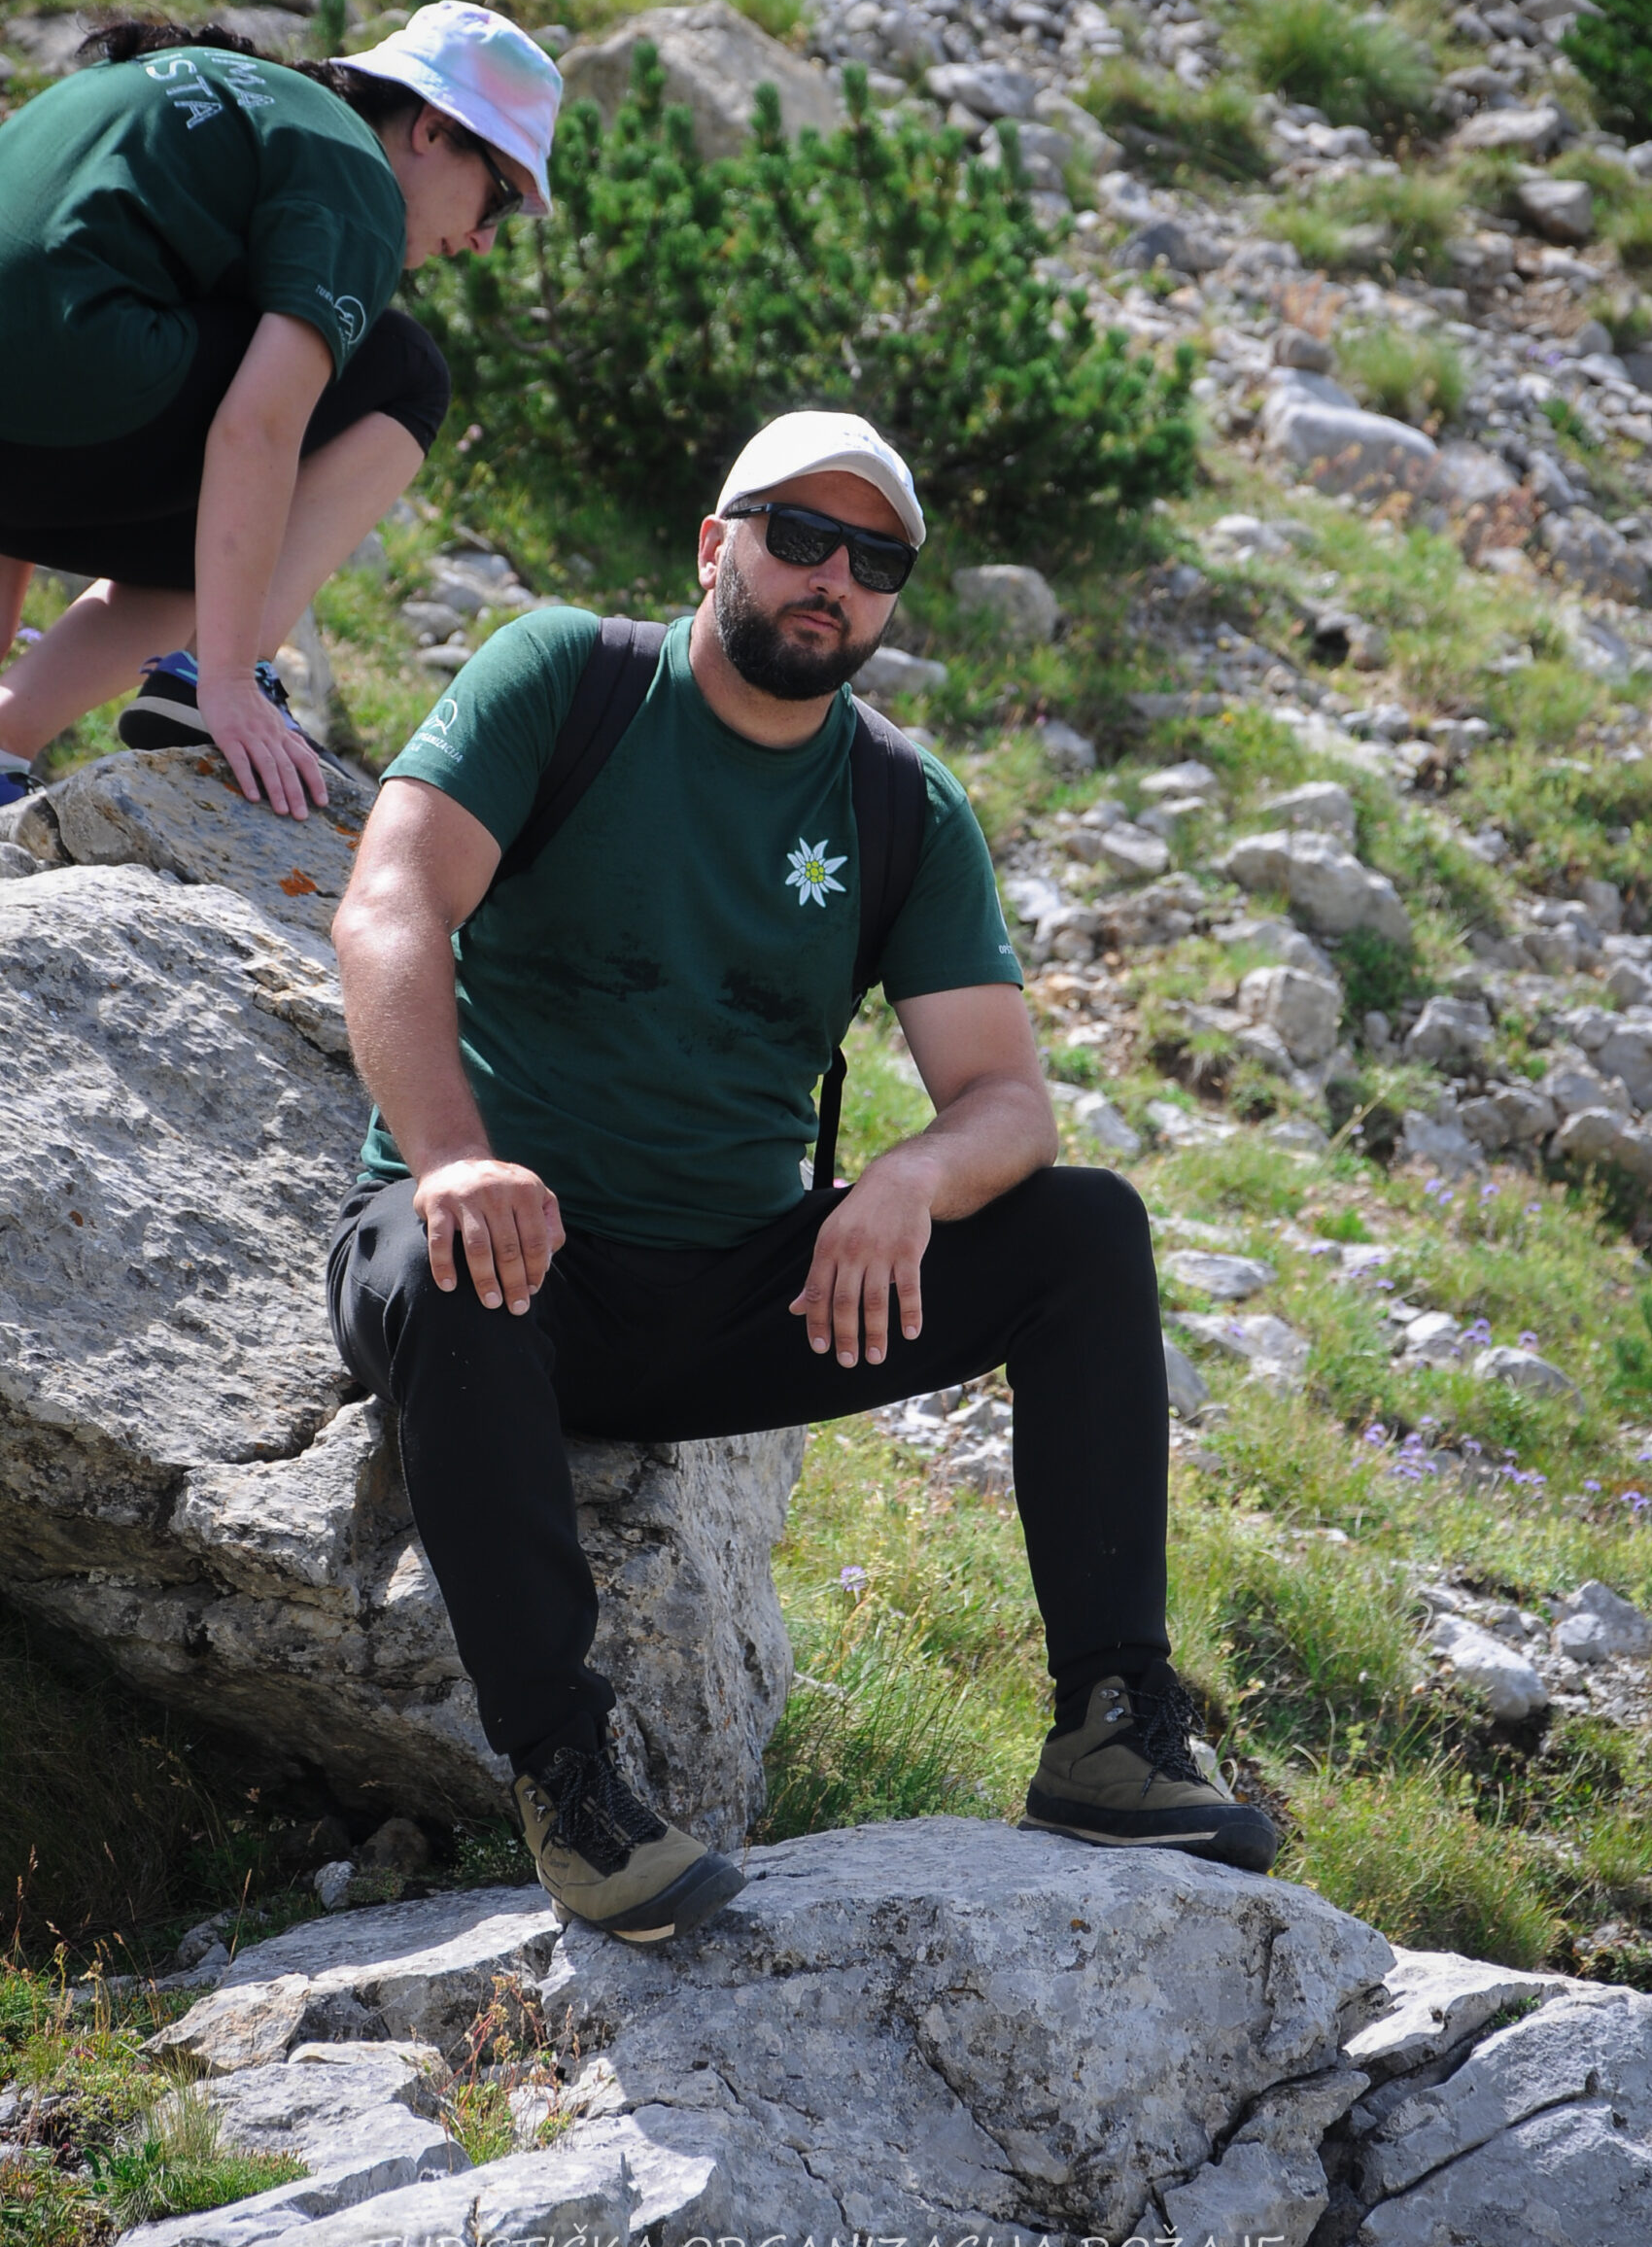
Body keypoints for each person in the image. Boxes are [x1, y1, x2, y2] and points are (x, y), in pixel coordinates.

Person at [327, 409, 1277, 1947]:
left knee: (1085, 1229)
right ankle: (571, 1778)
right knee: (452, 1275)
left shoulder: (902, 804)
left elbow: (1007, 1099)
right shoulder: (566, 678)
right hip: (501, 1260)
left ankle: (1111, 1728)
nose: (832, 575)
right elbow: (388, 906)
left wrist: (908, 1180)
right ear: (718, 544)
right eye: (800, 535)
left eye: (875, 559)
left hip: (730, 1292)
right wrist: (453, 1158)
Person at [0, 0, 561, 816]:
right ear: (434, 129)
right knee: (407, 371)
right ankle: (208, 678)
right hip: (80, 392)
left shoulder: (202, 93)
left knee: (219, 551)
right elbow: (256, 427)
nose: (483, 241)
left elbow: (33, 281)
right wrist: (227, 680)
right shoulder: (356, 175)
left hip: (35, 423)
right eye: (500, 200)